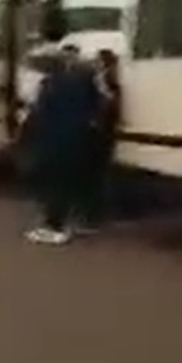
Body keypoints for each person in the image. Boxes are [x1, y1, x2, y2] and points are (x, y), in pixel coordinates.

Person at [22, 46, 102, 245]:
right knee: (73, 181)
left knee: (54, 183)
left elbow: (40, 113)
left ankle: (54, 226)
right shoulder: (86, 81)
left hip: (54, 139)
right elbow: (96, 107)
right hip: (79, 138)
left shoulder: (50, 84)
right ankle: (77, 222)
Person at [81, 49, 124, 231]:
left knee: (95, 177)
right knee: (96, 176)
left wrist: (101, 90)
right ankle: (93, 215)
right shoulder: (103, 83)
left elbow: (110, 106)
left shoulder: (107, 85)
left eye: (99, 63)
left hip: (101, 135)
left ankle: (94, 217)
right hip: (100, 134)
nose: (96, 66)